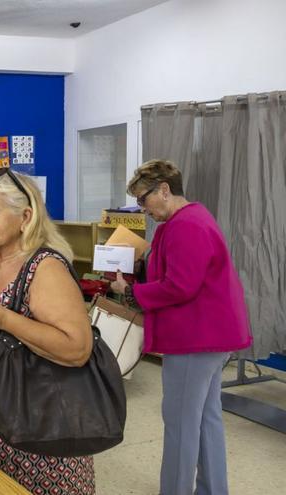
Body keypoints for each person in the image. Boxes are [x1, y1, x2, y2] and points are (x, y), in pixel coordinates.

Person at [0, 168, 96, 493]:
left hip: (43, 440)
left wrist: (3, 319)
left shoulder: (44, 268)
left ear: (25, 217)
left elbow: (77, 348)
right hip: (1, 435)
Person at [111, 159, 252, 495]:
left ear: (164, 189)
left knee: (180, 425)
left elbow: (180, 286)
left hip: (196, 340)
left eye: (144, 200)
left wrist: (131, 292)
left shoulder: (186, 225)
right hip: (211, 338)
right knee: (206, 420)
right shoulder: (187, 220)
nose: (142, 209)